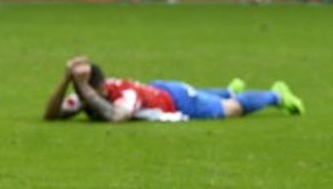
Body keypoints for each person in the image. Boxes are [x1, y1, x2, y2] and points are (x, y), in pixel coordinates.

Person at [45, 55, 305, 123]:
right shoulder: (89, 93)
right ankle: (228, 89)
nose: (80, 98)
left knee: (232, 109)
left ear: (99, 88)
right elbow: (51, 115)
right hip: (160, 90)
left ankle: (276, 95)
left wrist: (81, 86)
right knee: (214, 96)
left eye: (85, 92)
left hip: (177, 101)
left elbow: (117, 116)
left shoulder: (125, 96)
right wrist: (66, 78)